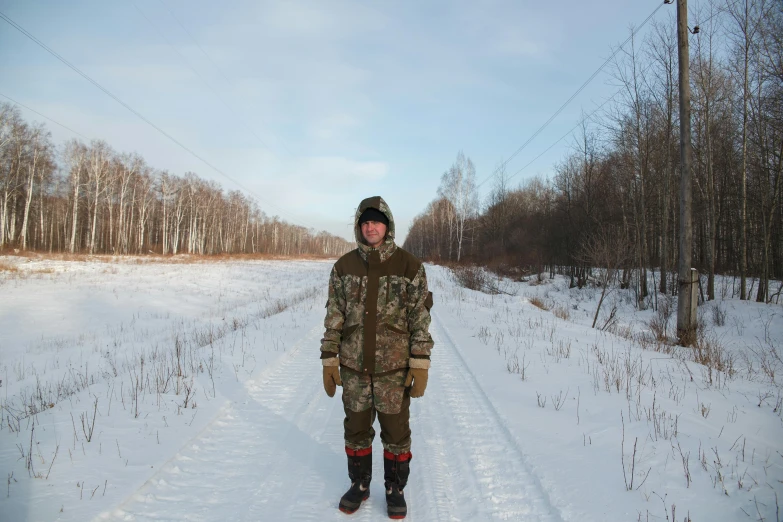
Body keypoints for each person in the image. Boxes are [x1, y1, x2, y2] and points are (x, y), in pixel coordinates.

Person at [320, 196, 434, 519]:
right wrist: (329, 357)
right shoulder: (343, 268)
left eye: (377, 221)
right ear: (359, 225)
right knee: (356, 429)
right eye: (365, 222)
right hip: (354, 369)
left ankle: (394, 488)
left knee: (396, 433)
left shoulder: (409, 267)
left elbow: (419, 320)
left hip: (393, 371)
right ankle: (359, 484)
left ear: (387, 225)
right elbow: (334, 316)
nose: (371, 227)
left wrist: (420, 362)